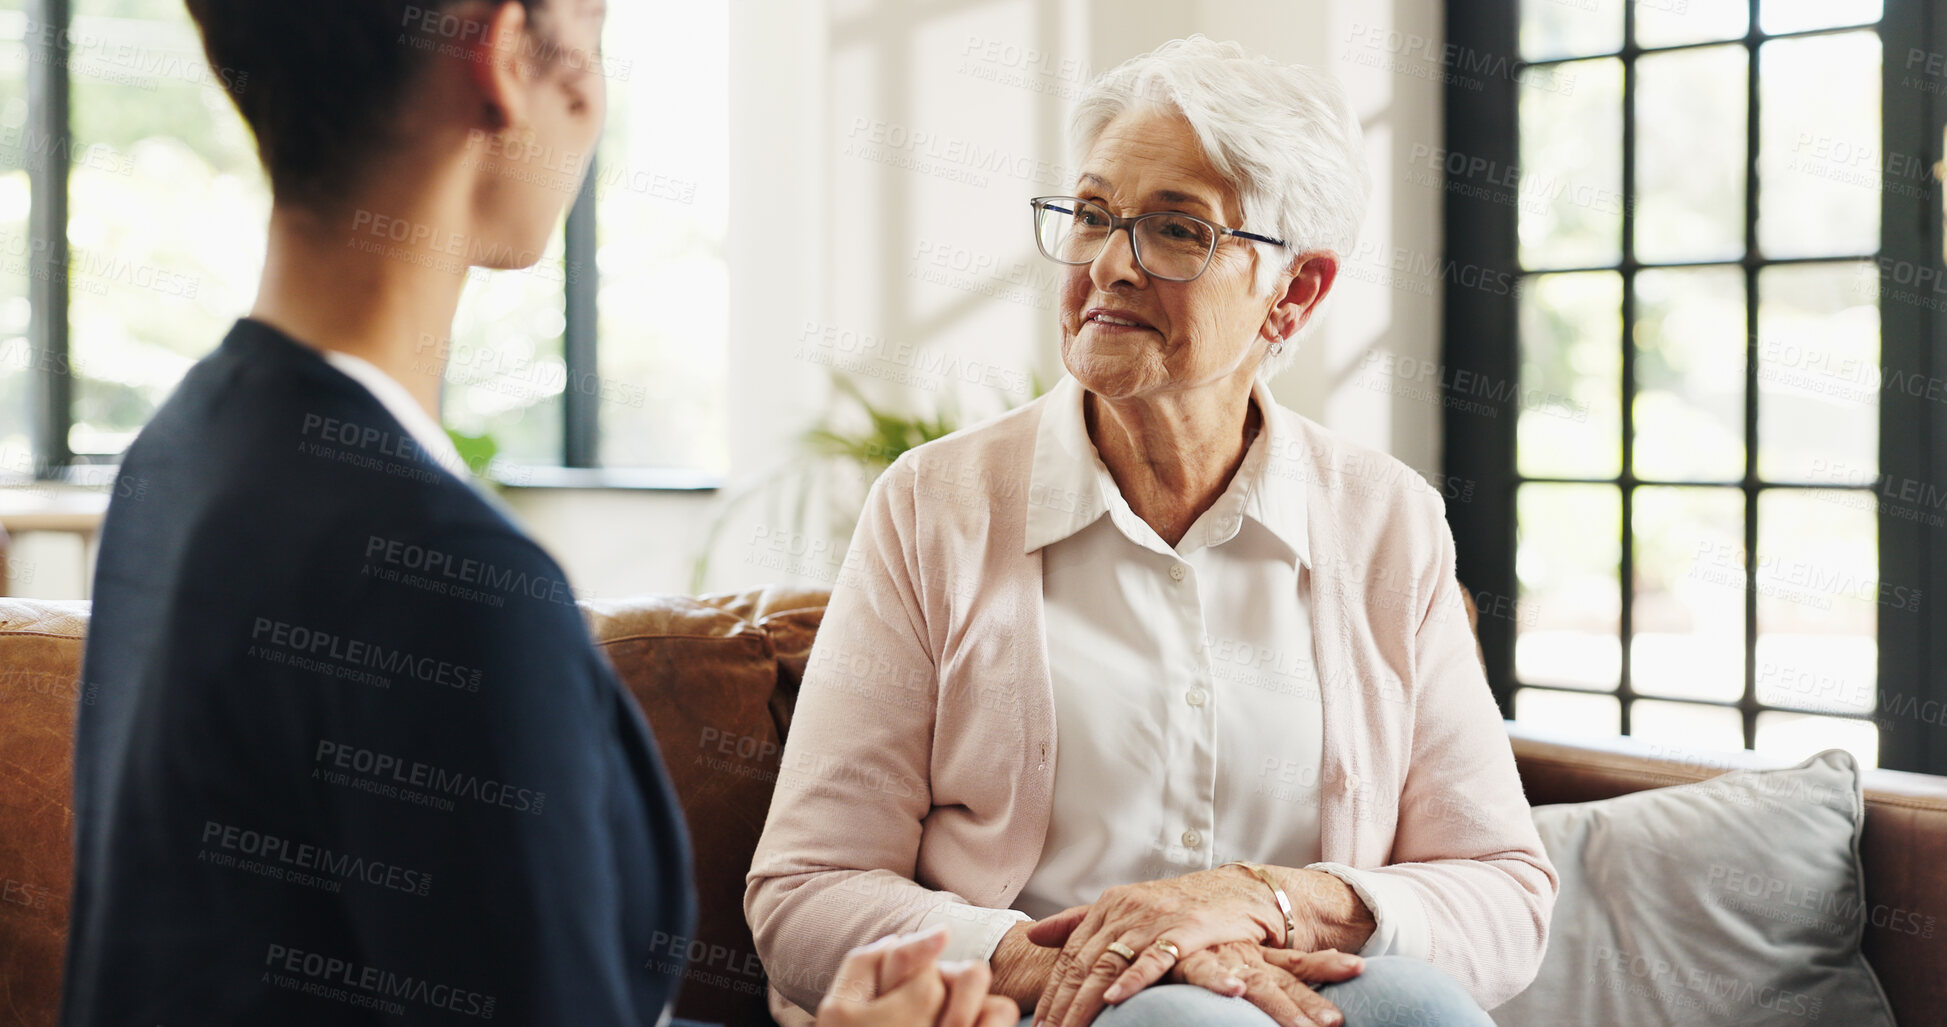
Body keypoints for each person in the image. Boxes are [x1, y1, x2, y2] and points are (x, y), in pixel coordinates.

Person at [61, 3, 1010, 1026]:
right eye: (596, 36)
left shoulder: (182, 450)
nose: (597, 95)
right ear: (505, 54)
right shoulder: (445, 584)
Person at [746, 36, 1557, 1027]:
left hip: (1299, 990)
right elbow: (805, 891)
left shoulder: (1386, 520)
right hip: (1028, 1005)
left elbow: (1507, 893)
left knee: (1426, 1012)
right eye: (1092, 216)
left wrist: (1268, 901)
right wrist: (1075, 959)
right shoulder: (933, 507)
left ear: (1294, 294)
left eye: (1177, 231)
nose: (1109, 265)